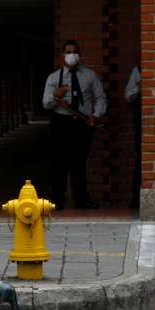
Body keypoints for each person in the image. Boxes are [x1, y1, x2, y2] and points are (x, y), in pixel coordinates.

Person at [42, 40, 107, 210]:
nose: (71, 55)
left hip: (82, 123)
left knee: (79, 163)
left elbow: (100, 97)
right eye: (68, 52)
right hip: (60, 123)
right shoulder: (54, 78)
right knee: (58, 163)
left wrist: (96, 115)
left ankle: (81, 199)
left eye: (74, 52)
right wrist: (56, 96)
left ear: (79, 54)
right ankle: (57, 200)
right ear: (62, 55)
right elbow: (45, 103)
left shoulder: (90, 76)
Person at [126, 65, 141, 208]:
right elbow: (128, 95)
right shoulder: (139, 70)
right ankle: (137, 201)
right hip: (142, 123)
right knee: (140, 160)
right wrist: (139, 87)